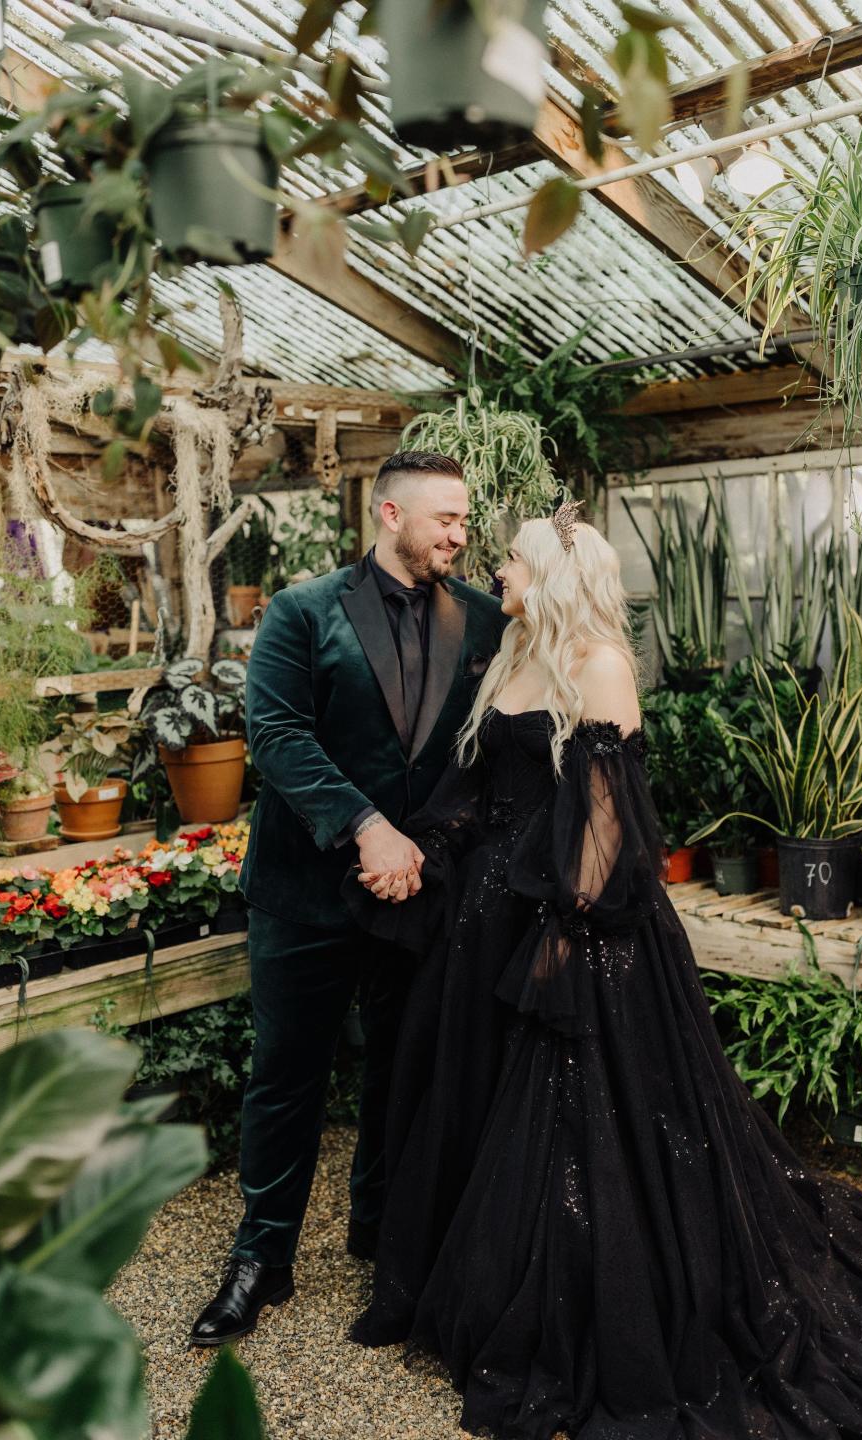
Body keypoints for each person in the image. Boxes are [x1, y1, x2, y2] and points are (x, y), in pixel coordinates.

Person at [345, 501, 862, 1440]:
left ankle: (589, 1293)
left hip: (579, 927)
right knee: (482, 1096)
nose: (496, 571)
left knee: (578, 1114)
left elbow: (606, 816)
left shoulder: (599, 665)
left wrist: (567, 928)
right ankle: (483, 1273)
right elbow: (483, 786)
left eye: (511, 560)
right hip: (488, 918)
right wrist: (427, 853)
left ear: (551, 573)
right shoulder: (513, 655)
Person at [189, 451, 507, 1347]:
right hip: (306, 893)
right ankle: (261, 1261)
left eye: (465, 520)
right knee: (286, 1078)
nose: (458, 533)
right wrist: (366, 828)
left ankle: (383, 1236)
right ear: (390, 513)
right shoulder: (300, 611)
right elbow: (277, 737)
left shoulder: (484, 618)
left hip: (421, 893)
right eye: (445, 518)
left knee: (401, 1069)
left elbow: (479, 756)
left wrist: (436, 853)